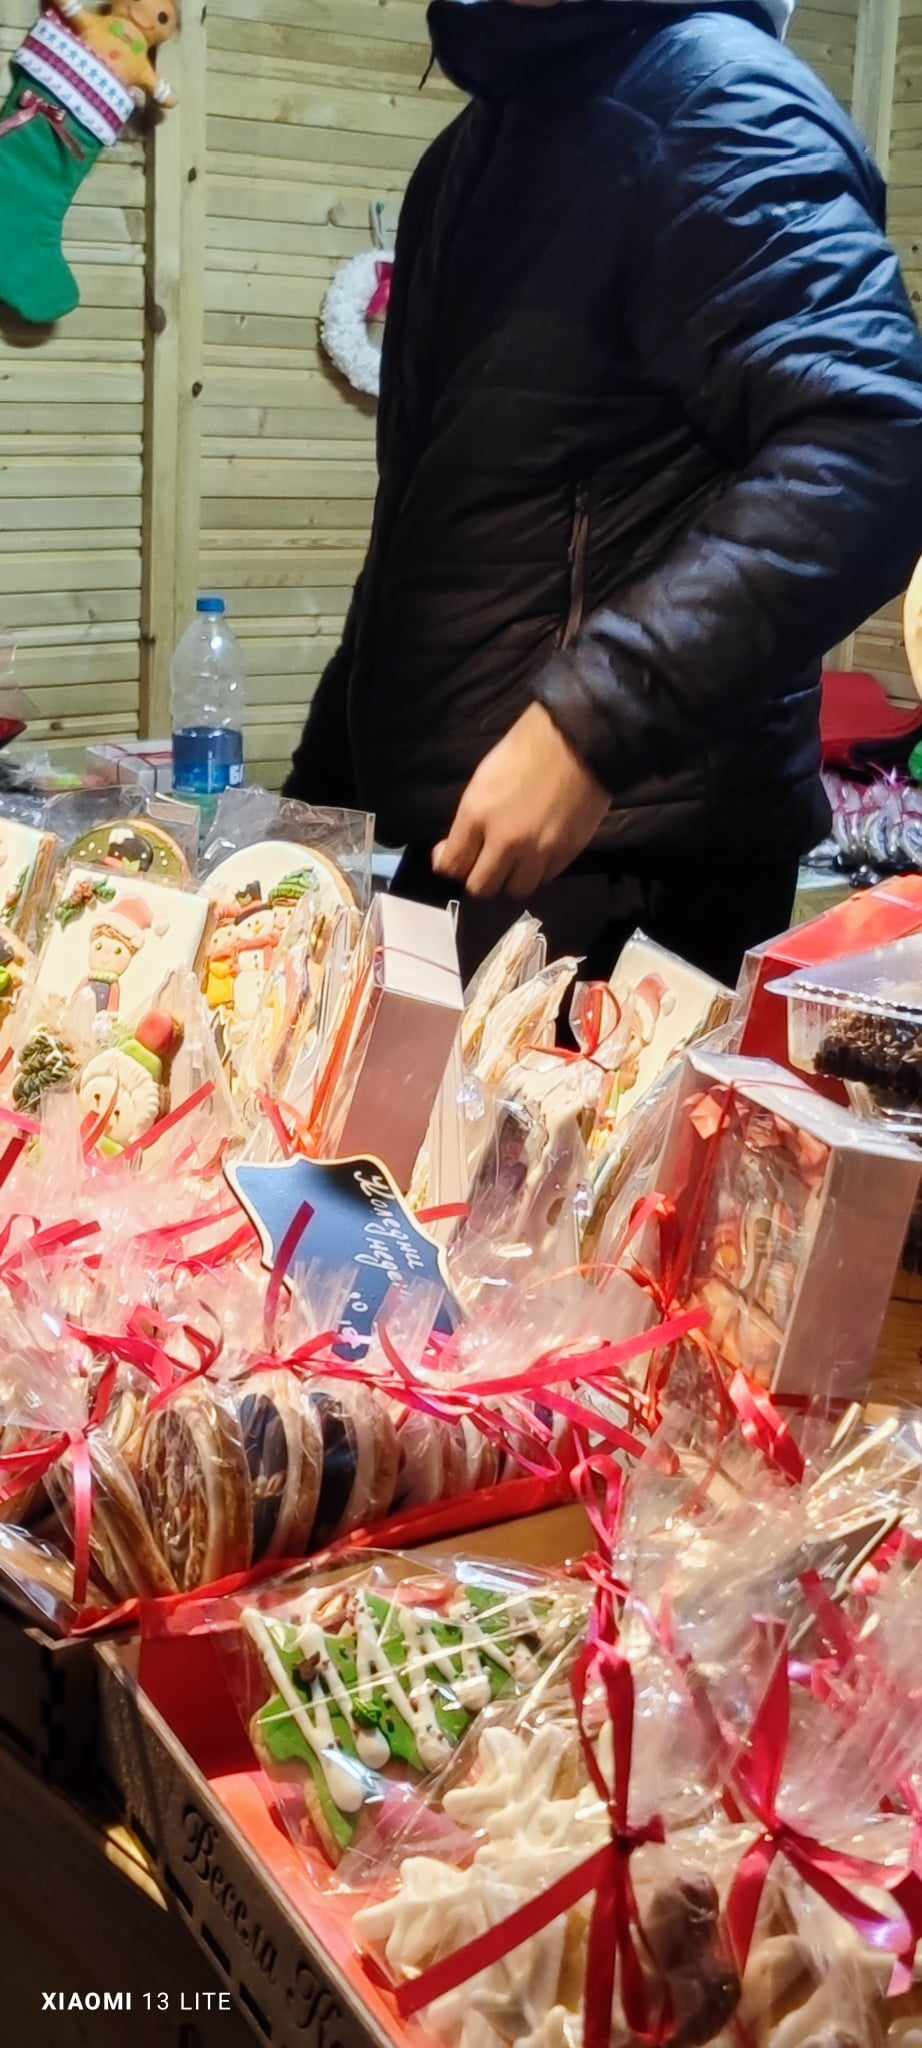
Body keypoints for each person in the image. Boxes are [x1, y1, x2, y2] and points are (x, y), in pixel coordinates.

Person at [287, 0, 922, 986]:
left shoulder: (717, 98)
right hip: (472, 839)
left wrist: (589, 729)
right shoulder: (472, 149)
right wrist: (313, 812)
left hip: (635, 857)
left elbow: (874, 446)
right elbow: (424, 529)